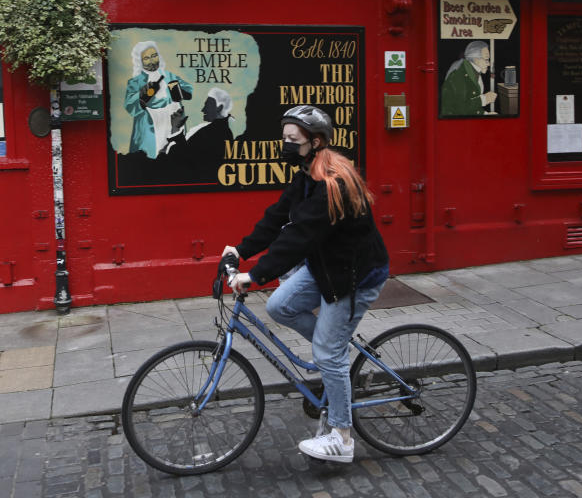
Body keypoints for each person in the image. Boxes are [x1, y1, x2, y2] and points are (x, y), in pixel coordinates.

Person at [222, 105, 389, 464]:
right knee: (280, 306)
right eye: (283, 138)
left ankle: (342, 437)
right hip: (327, 267)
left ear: (315, 142)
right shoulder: (306, 175)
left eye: (291, 140)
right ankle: (335, 357)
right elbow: (278, 217)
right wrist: (241, 249)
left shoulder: (331, 183)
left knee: (328, 353)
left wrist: (255, 275)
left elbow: (298, 238)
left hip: (354, 276)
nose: (284, 145)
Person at [123, 41, 194, 158]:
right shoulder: (135, 82)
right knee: (151, 159)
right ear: (140, 61)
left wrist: (178, 91)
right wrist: (144, 96)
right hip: (150, 125)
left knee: (174, 155)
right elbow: (130, 106)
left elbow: (188, 91)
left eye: (154, 56)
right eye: (146, 58)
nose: (152, 61)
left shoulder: (169, 76)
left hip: (172, 122)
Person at [440, 40, 497, 116]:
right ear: (476, 60)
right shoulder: (459, 75)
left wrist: (485, 114)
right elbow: (459, 109)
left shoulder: (473, 72)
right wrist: (483, 99)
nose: (489, 64)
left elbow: (473, 108)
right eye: (486, 59)